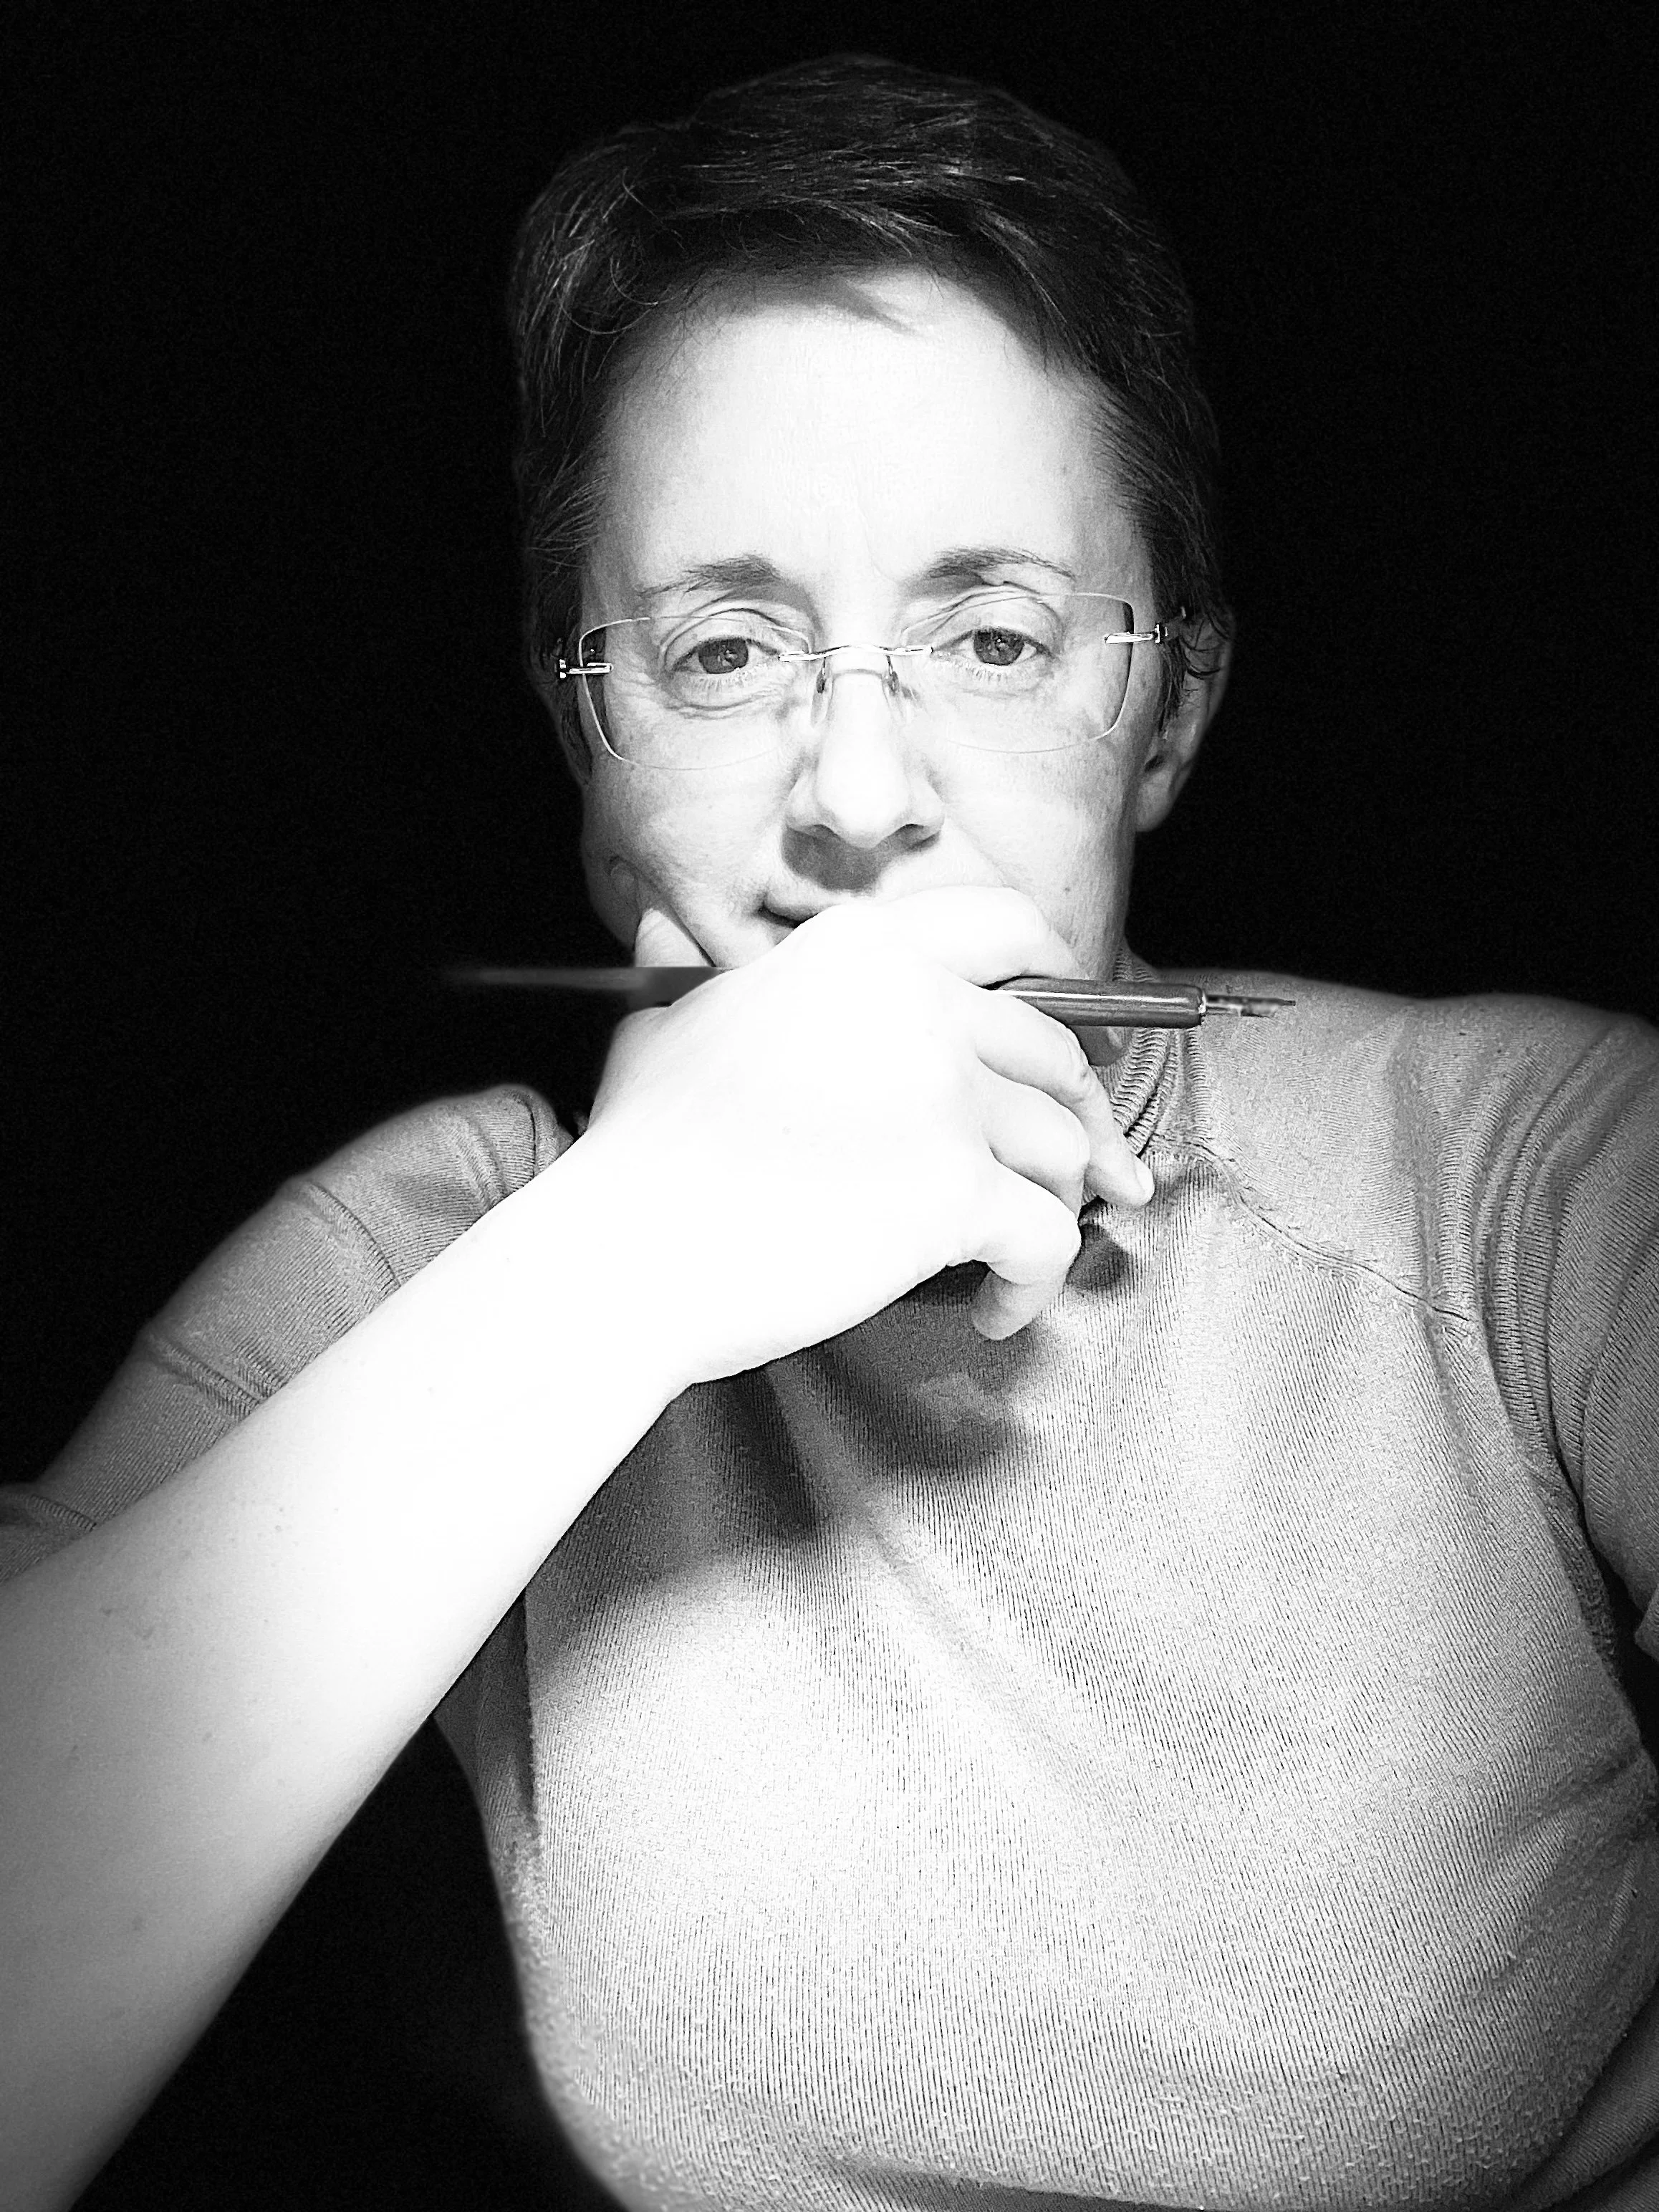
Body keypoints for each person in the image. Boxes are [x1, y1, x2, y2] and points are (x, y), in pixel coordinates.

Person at [3, 48, 1656, 2212]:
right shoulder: (438, 1259)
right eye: (721, 651)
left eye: (994, 638)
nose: (857, 798)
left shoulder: (1526, 1180)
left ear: (1166, 713)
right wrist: (622, 1264)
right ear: (581, 727)